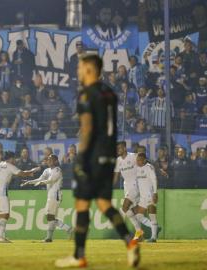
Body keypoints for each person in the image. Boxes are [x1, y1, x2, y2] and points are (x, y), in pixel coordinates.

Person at [55, 55, 139, 268]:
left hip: (93, 155)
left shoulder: (86, 94)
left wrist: (80, 159)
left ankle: (79, 256)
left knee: (82, 203)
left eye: (80, 67)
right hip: (110, 154)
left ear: (90, 69)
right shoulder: (109, 92)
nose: (78, 70)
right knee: (104, 203)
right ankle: (130, 243)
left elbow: (87, 128)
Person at [0, 151, 40, 243]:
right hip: (1, 193)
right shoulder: (9, 165)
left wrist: (27, 174)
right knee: (5, 215)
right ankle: (0, 237)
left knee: (3, 215)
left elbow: (6, 175)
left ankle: (0, 236)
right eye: (14, 158)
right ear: (11, 158)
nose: (15, 160)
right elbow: (21, 173)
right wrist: (33, 170)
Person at [21, 154, 72, 242]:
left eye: (50, 159)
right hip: (50, 195)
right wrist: (29, 182)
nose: (48, 161)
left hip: (55, 194)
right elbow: (39, 179)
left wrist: (41, 183)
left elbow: (51, 180)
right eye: (48, 160)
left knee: (50, 216)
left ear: (55, 161)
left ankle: (49, 237)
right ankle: (68, 230)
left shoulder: (57, 170)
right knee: (50, 216)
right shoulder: (46, 170)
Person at [113, 141, 144, 239]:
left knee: (124, 207)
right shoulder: (118, 160)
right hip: (127, 186)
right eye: (117, 148)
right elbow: (116, 176)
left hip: (136, 184)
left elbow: (146, 162)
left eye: (120, 148)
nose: (118, 150)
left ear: (125, 148)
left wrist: (159, 170)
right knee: (130, 211)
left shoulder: (133, 156)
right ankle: (139, 233)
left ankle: (138, 231)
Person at [135, 153, 159, 242]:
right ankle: (154, 227)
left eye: (140, 160)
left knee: (152, 215)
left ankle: (153, 237)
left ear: (144, 160)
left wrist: (155, 193)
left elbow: (154, 179)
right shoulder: (136, 169)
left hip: (150, 195)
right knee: (138, 216)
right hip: (142, 197)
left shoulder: (149, 167)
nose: (138, 162)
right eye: (137, 160)